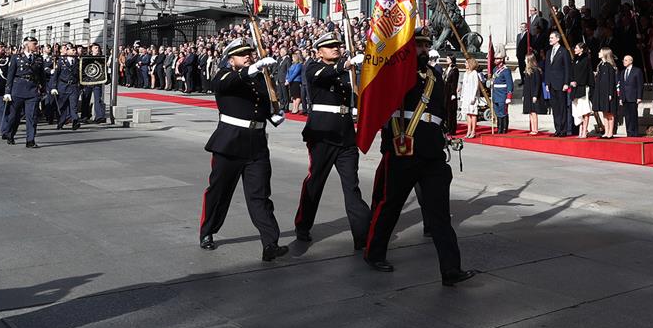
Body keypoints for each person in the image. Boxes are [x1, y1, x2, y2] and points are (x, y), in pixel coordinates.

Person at [365, 29, 475, 286]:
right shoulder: (396, 72)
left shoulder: (435, 76)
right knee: (390, 205)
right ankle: (374, 252)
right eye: (418, 45)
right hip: (403, 148)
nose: (424, 50)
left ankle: (450, 269)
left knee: (439, 213)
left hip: (432, 151)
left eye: (426, 45)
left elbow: (440, 111)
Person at [199, 38, 287, 261]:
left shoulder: (258, 78)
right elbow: (222, 86)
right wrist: (251, 69)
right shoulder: (225, 75)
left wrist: (272, 114)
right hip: (229, 143)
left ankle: (270, 244)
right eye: (242, 54)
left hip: (256, 144)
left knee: (260, 196)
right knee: (219, 192)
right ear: (231, 59)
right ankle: (207, 231)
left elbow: (260, 104)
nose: (248, 56)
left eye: (249, 53)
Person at [294, 34, 370, 248]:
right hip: (322, 134)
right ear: (319, 52)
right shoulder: (313, 68)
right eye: (329, 47)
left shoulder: (347, 73)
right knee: (315, 182)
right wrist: (345, 65)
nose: (335, 49)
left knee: (352, 186)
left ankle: (362, 236)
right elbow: (323, 76)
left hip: (345, 135)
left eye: (337, 46)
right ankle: (303, 225)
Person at [4, 36, 49, 149]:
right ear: (27, 44)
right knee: (14, 116)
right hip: (18, 89)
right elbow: (10, 75)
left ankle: (30, 140)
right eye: (34, 43)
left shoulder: (39, 58)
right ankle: (10, 134)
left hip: (32, 90)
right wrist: (8, 91)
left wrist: (44, 89)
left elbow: (42, 76)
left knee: (32, 117)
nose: (37, 46)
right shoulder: (16, 58)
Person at [544, 32, 572, 137]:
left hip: (561, 84)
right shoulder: (549, 52)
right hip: (551, 84)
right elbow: (547, 68)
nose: (550, 39)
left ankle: (563, 130)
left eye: (552, 38)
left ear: (557, 39)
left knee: (562, 107)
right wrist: (547, 83)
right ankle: (557, 129)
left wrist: (566, 83)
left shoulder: (564, 51)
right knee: (555, 108)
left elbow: (567, 69)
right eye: (549, 37)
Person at [51, 44, 81, 130]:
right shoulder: (61, 61)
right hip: (63, 86)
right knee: (62, 106)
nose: (74, 52)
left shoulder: (78, 62)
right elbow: (56, 75)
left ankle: (75, 121)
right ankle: (61, 121)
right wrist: (54, 87)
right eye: (72, 50)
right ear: (67, 51)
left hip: (73, 86)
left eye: (75, 50)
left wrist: (80, 86)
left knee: (73, 105)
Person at [592, 47, 619, 138]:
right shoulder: (601, 65)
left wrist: (610, 93)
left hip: (608, 92)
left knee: (609, 113)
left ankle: (610, 132)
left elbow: (611, 81)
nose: (598, 53)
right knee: (604, 112)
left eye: (600, 51)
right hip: (601, 92)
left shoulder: (609, 66)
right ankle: (606, 131)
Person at [569, 42, 594, 138]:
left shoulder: (586, 59)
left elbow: (585, 74)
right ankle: (580, 130)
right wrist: (571, 81)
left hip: (583, 87)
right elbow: (572, 72)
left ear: (581, 49)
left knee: (585, 110)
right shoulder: (575, 59)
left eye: (576, 48)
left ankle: (584, 131)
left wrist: (578, 82)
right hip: (575, 88)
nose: (574, 49)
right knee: (578, 111)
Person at [618, 53, 643, 137]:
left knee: (633, 116)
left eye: (625, 60)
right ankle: (629, 133)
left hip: (633, 97)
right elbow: (621, 86)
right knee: (627, 117)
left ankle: (634, 133)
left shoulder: (637, 71)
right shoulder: (622, 72)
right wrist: (621, 98)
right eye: (623, 60)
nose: (623, 62)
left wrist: (639, 97)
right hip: (625, 98)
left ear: (630, 61)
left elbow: (640, 85)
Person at [521, 52, 547, 135]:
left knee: (534, 112)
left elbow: (538, 83)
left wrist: (535, 95)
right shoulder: (527, 71)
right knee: (530, 112)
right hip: (528, 94)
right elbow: (526, 85)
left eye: (526, 59)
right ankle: (532, 129)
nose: (524, 60)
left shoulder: (536, 70)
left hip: (534, 94)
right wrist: (524, 95)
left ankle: (535, 129)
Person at [459, 57, 483, 139]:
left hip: (472, 96)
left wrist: (473, 97)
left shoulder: (474, 73)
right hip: (466, 95)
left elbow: (476, 85)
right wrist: (462, 96)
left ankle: (473, 131)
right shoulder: (466, 73)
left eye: (466, 63)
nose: (465, 64)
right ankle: (468, 130)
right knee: (468, 114)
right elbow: (464, 86)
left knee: (473, 114)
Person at [491, 56, 513, 134]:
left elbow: (510, 84)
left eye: (497, 58)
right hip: (496, 93)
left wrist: (509, 96)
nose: (495, 60)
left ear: (501, 59)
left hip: (503, 94)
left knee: (503, 112)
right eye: (495, 58)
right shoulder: (495, 69)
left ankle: (504, 129)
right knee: (497, 112)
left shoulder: (506, 70)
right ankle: (499, 128)